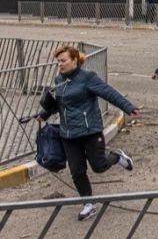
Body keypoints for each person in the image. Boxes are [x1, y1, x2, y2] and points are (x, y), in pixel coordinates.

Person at [37, 45, 138, 221]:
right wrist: (44, 114)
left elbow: (108, 92)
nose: (60, 64)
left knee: (98, 166)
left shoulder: (88, 78)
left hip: (90, 130)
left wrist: (127, 106)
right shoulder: (59, 80)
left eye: (63, 61)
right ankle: (88, 203)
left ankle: (117, 156)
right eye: (58, 61)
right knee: (76, 171)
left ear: (74, 60)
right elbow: (59, 103)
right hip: (68, 134)